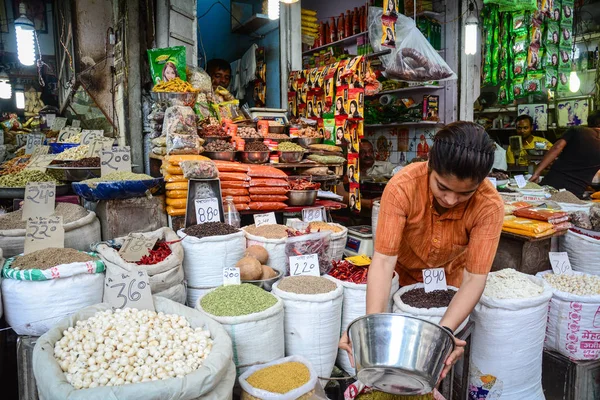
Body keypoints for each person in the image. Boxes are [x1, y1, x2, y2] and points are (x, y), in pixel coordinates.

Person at [339, 122, 504, 381]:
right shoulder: (402, 186)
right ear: (429, 164)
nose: (450, 200)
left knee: (436, 369)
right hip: (401, 276)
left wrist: (444, 335)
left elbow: (475, 278)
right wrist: (371, 327)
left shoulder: (489, 205)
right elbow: (382, 262)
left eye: (464, 194)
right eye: (443, 187)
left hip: (450, 285)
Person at [530, 111, 600, 198]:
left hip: (551, 185)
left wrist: (537, 172)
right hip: (574, 193)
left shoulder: (577, 130)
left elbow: (557, 147)